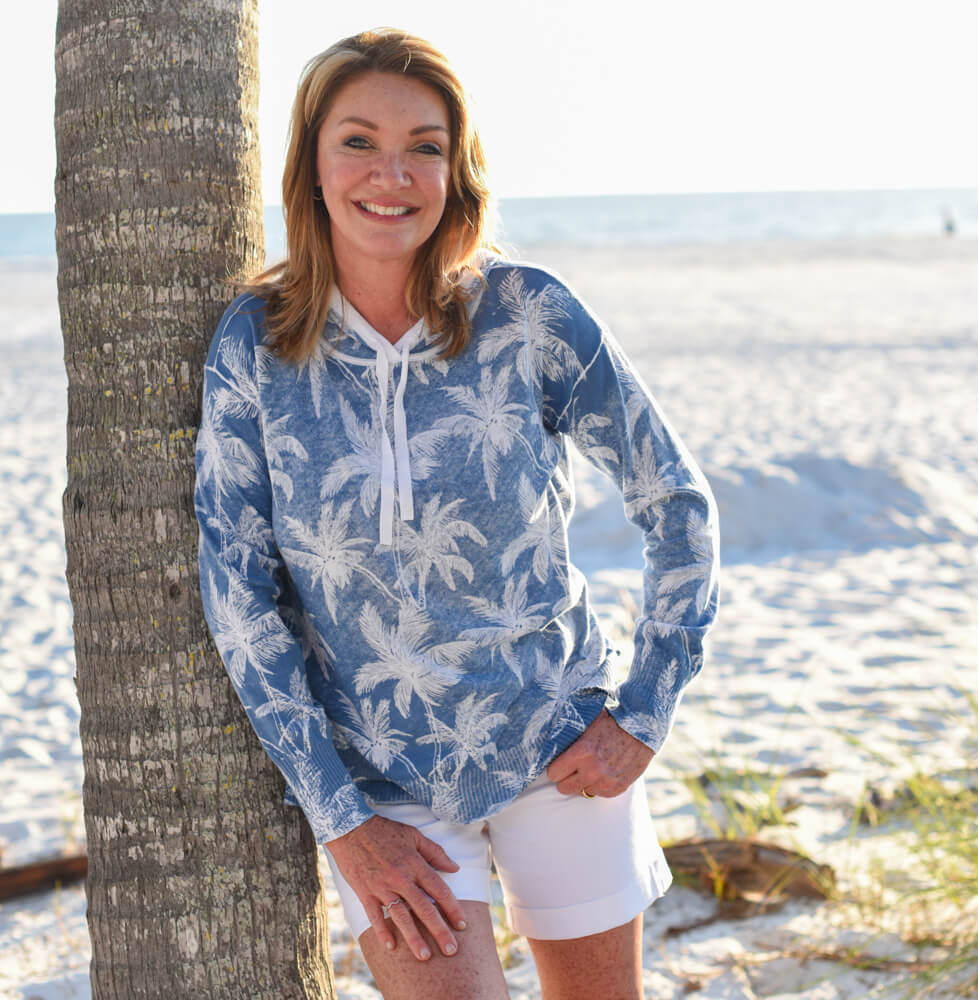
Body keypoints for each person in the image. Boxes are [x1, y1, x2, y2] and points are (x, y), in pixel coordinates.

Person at [195, 27, 719, 1000]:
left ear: (457, 169)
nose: (391, 174)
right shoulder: (255, 344)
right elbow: (238, 593)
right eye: (358, 141)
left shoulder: (528, 313)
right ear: (311, 162)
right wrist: (344, 822)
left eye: (424, 147)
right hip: (383, 783)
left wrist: (646, 708)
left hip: (559, 746)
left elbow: (675, 499)